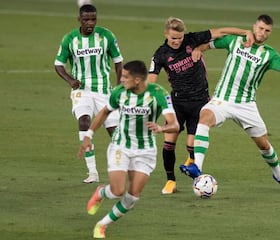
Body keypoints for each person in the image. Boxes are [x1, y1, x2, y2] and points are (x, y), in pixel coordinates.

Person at [179, 14, 280, 192]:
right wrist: (199, 49)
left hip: (246, 105)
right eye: (260, 28)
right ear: (254, 27)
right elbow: (211, 43)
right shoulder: (235, 41)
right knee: (204, 117)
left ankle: (279, 176)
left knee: (264, 145)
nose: (263, 33)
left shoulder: (269, 54)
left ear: (270, 33)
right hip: (222, 99)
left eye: (267, 31)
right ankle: (196, 166)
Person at [147, 17, 255, 194]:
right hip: (178, 102)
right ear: (166, 34)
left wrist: (245, 32)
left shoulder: (192, 40)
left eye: (180, 38)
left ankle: (192, 161)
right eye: (173, 38)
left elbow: (219, 32)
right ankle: (170, 181)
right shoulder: (160, 54)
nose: (177, 41)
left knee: (192, 143)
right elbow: (151, 80)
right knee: (169, 142)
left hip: (200, 101)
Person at [78, 60, 179, 238]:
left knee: (133, 196)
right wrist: (89, 135)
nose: (121, 79)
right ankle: (102, 192)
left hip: (145, 150)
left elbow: (174, 124)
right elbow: (104, 112)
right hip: (121, 146)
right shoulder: (119, 92)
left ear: (138, 80)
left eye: (125, 77)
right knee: (117, 191)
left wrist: (161, 128)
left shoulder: (158, 94)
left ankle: (102, 224)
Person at [54, 4, 123, 183]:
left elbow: (118, 62)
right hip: (81, 91)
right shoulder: (69, 39)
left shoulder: (106, 36)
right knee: (84, 121)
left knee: (113, 131)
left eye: (93, 19)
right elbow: (58, 65)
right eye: (86, 19)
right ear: (79, 20)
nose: (90, 23)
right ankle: (92, 172)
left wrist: (118, 88)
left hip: (104, 91)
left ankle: (119, 167)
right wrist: (70, 81)